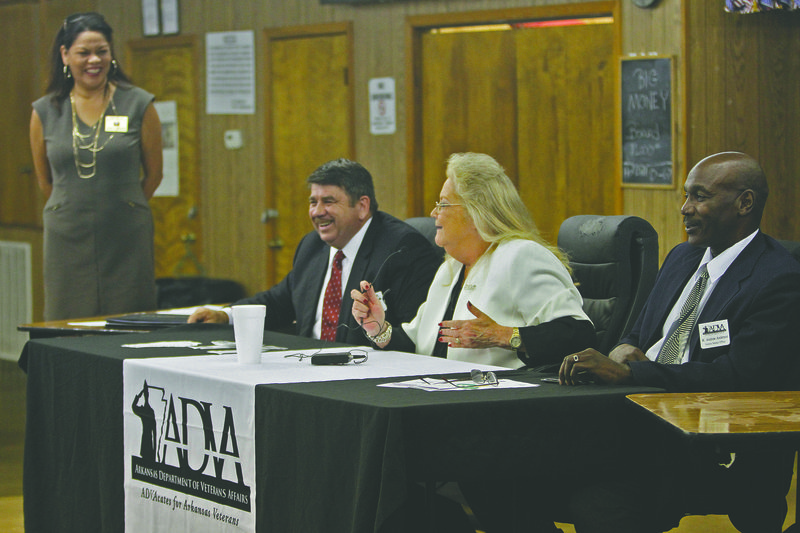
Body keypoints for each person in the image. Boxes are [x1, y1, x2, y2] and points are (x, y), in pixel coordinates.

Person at [557, 152, 800, 533]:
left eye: (699, 196)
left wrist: (630, 373)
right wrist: (622, 350)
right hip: (629, 413)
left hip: (696, 441)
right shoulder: (683, 257)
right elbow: (639, 335)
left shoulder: (778, 279)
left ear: (745, 203)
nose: (685, 208)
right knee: (513, 470)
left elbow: (737, 377)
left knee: (597, 501)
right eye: (686, 196)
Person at [351, 152, 595, 369]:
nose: (433, 213)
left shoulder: (520, 255)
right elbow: (419, 346)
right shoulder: (451, 268)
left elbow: (579, 335)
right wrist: (379, 328)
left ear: (476, 211)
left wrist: (505, 335)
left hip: (499, 403)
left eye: (443, 204)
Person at [189, 158, 441, 346]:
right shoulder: (313, 246)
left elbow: (412, 335)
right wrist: (225, 315)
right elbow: (280, 301)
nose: (317, 212)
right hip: (306, 369)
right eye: (313, 202)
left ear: (362, 206)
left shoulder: (401, 249)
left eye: (328, 201)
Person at [30, 12, 163, 321]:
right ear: (65, 55)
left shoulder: (139, 104)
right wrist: (70, 206)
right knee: (69, 322)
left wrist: (126, 205)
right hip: (67, 235)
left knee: (131, 320)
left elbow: (154, 175)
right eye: (84, 52)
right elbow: (44, 181)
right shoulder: (45, 111)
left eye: (101, 51)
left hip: (126, 234)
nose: (94, 60)